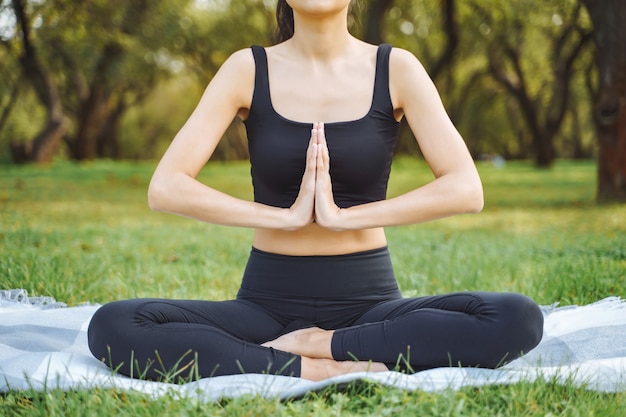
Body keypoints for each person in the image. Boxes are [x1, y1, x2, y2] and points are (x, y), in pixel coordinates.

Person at [87, 0, 544, 382]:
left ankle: (325, 347)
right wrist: (283, 216)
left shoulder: (395, 67)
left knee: (518, 318)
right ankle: (308, 368)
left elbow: (466, 188)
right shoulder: (248, 68)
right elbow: (166, 187)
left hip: (371, 307)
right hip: (265, 307)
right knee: (113, 324)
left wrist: (344, 218)